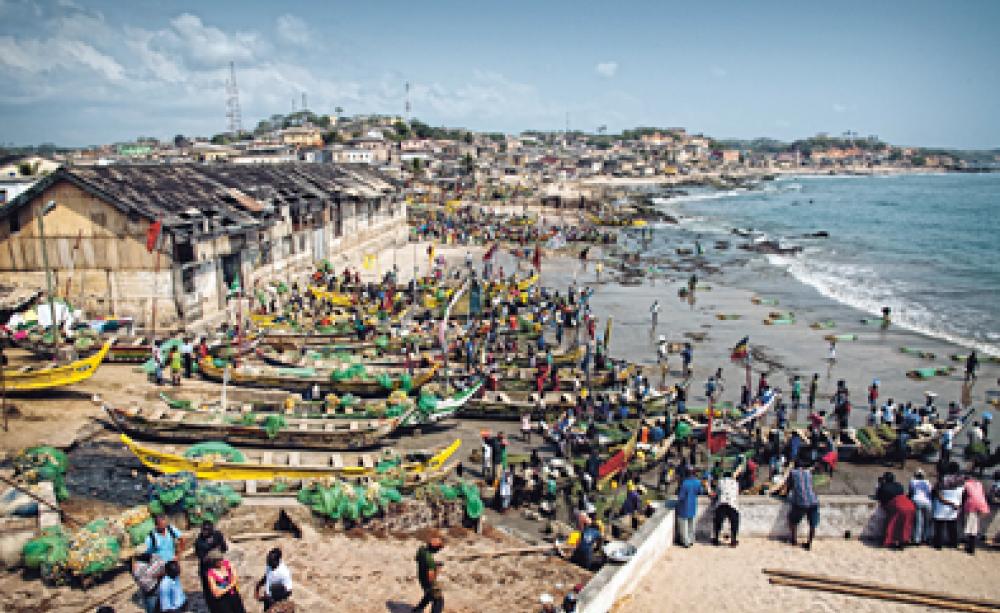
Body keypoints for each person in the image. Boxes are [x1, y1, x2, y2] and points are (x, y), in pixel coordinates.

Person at [786, 459, 819, 550]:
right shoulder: (808, 472)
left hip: (801, 503)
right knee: (812, 524)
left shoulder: (793, 473)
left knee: (792, 520)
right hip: (813, 501)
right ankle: (809, 544)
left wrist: (786, 494)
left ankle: (794, 540)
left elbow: (789, 486)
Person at [876, 472, 914, 548]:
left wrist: (880, 485)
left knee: (892, 523)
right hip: (909, 504)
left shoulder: (884, 486)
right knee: (905, 524)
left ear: (885, 479)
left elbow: (879, 496)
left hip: (898, 505)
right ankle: (904, 541)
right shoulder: (899, 485)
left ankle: (889, 541)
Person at [194, 521, 228, 605]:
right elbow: (202, 557)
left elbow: (224, 548)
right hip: (207, 568)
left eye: (206, 530)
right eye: (203, 530)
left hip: (218, 566)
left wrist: (216, 549)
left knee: (223, 585)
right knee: (209, 590)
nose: (204, 532)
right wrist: (213, 549)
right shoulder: (199, 541)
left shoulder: (217, 535)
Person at [933, 464, 965, 550]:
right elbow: (963, 493)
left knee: (939, 527)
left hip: (942, 506)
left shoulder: (943, 479)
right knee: (952, 526)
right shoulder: (962, 480)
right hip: (956, 505)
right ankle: (953, 543)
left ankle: (938, 545)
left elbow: (938, 494)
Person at [414, 537, 445, 613]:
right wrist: (437, 569)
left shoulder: (421, 549)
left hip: (421, 578)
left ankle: (417, 610)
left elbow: (417, 559)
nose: (439, 550)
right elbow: (431, 578)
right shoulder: (430, 559)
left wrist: (433, 564)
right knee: (438, 600)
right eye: (439, 548)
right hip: (428, 581)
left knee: (429, 595)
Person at [710, 471, 740, 547]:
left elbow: (716, 493)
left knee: (718, 522)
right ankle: (733, 541)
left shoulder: (720, 482)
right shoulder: (735, 483)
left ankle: (716, 539)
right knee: (734, 523)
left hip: (721, 503)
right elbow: (736, 493)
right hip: (733, 504)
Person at [962, 474, 990, 554]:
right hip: (982, 505)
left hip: (972, 505)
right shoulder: (979, 484)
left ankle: (970, 548)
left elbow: (963, 495)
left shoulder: (966, 484)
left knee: (970, 527)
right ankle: (972, 546)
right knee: (974, 526)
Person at [676, 466, 702, 547]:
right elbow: (699, 492)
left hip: (684, 506)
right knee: (691, 524)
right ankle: (691, 540)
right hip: (693, 505)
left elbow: (681, 497)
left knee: (684, 525)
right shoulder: (697, 482)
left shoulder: (685, 483)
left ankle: (685, 542)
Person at [908, 469, 933, 545]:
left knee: (918, 521)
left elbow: (911, 492)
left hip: (917, 500)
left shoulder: (912, 481)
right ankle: (926, 538)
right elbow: (930, 492)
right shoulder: (928, 482)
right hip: (927, 501)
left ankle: (917, 539)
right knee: (927, 521)